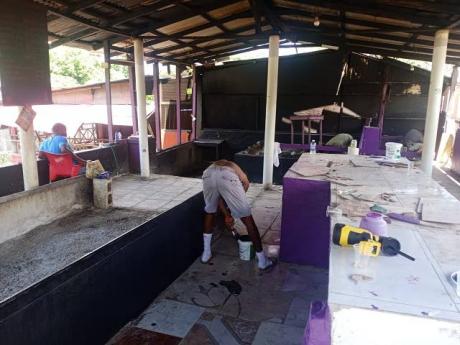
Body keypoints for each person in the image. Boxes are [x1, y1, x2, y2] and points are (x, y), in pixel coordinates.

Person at [201, 159, 275, 271]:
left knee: (210, 211)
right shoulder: (236, 169)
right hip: (226, 176)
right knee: (247, 218)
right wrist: (237, 203)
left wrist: (227, 214)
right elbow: (246, 183)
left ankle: (206, 254)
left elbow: (219, 199)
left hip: (208, 174)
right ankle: (262, 261)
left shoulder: (216, 164)